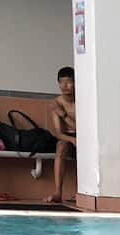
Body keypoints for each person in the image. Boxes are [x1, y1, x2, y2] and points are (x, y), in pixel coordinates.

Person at [46, 66, 76, 204]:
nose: (65, 86)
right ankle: (58, 191)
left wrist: (63, 114)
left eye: (69, 81)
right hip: (67, 137)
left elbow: (85, 129)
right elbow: (58, 133)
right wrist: (72, 140)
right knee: (61, 147)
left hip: (85, 136)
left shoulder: (83, 100)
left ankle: (83, 192)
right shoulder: (56, 103)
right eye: (61, 82)